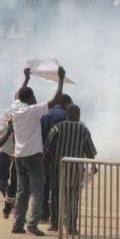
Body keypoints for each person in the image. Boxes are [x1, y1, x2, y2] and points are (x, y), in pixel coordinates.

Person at [8, 66, 66, 236]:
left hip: (19, 155)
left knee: (21, 191)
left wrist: (26, 78)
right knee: (37, 190)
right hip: (33, 154)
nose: (35, 98)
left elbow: (19, 94)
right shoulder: (32, 111)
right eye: (33, 96)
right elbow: (55, 100)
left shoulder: (15, 107)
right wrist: (61, 79)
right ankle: (32, 224)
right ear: (29, 98)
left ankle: (18, 224)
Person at [43, 105, 97, 232]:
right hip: (75, 170)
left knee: (56, 196)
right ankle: (72, 227)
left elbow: (47, 149)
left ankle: (55, 224)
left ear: (66, 115)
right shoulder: (84, 130)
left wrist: (44, 165)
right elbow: (90, 152)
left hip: (58, 168)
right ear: (78, 116)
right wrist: (94, 166)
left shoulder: (57, 128)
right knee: (73, 198)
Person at [39, 93, 73, 223]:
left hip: (46, 154)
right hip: (62, 156)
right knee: (59, 188)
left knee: (45, 185)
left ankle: (43, 215)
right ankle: (57, 216)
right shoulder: (65, 115)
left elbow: (41, 134)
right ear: (66, 103)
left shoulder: (46, 114)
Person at [0, 110, 16, 219]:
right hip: (11, 153)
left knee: (5, 180)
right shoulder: (4, 121)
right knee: (6, 180)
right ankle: (9, 203)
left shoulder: (7, 115)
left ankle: (9, 203)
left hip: (8, 153)